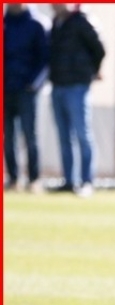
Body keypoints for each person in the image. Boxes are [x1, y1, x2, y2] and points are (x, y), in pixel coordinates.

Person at [48, 3, 105, 197]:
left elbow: (99, 49)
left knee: (82, 134)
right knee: (64, 137)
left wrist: (92, 71)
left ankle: (87, 181)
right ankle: (69, 181)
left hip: (77, 86)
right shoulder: (56, 23)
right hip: (58, 85)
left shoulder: (81, 21)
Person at [3, 3, 50, 193]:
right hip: (6, 89)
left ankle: (34, 179)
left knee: (30, 136)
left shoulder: (37, 24)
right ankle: (13, 178)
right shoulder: (4, 23)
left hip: (27, 91)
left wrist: (34, 84)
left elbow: (45, 59)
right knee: (8, 137)